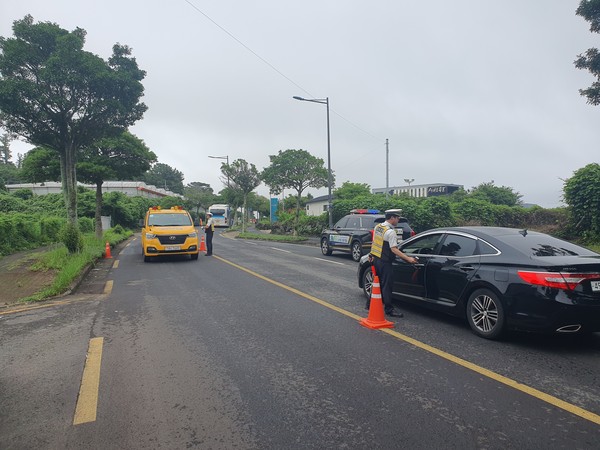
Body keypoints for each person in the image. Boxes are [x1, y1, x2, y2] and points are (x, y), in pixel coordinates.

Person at [368, 209, 419, 317]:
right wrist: (408, 259)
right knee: (387, 286)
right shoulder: (390, 232)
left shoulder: (379, 227)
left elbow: (375, 242)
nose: (398, 219)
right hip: (385, 262)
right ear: (392, 218)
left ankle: (370, 304)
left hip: (376, 260)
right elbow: (394, 249)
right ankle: (389, 309)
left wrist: (371, 254)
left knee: (376, 283)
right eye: (397, 217)